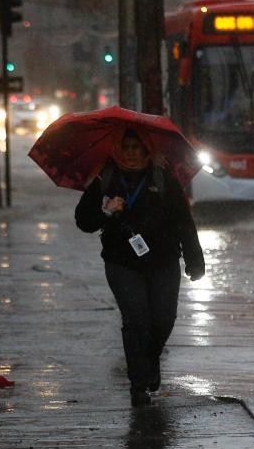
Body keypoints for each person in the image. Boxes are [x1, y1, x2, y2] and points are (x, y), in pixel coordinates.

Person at [75, 128, 205, 407]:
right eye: (127, 146)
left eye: (137, 146)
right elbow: (83, 220)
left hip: (163, 260)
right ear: (119, 149)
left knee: (163, 319)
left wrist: (195, 259)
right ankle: (138, 385)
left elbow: (183, 220)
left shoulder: (162, 176)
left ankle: (150, 359)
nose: (132, 152)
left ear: (147, 149)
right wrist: (106, 211)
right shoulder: (106, 177)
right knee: (136, 320)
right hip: (122, 262)